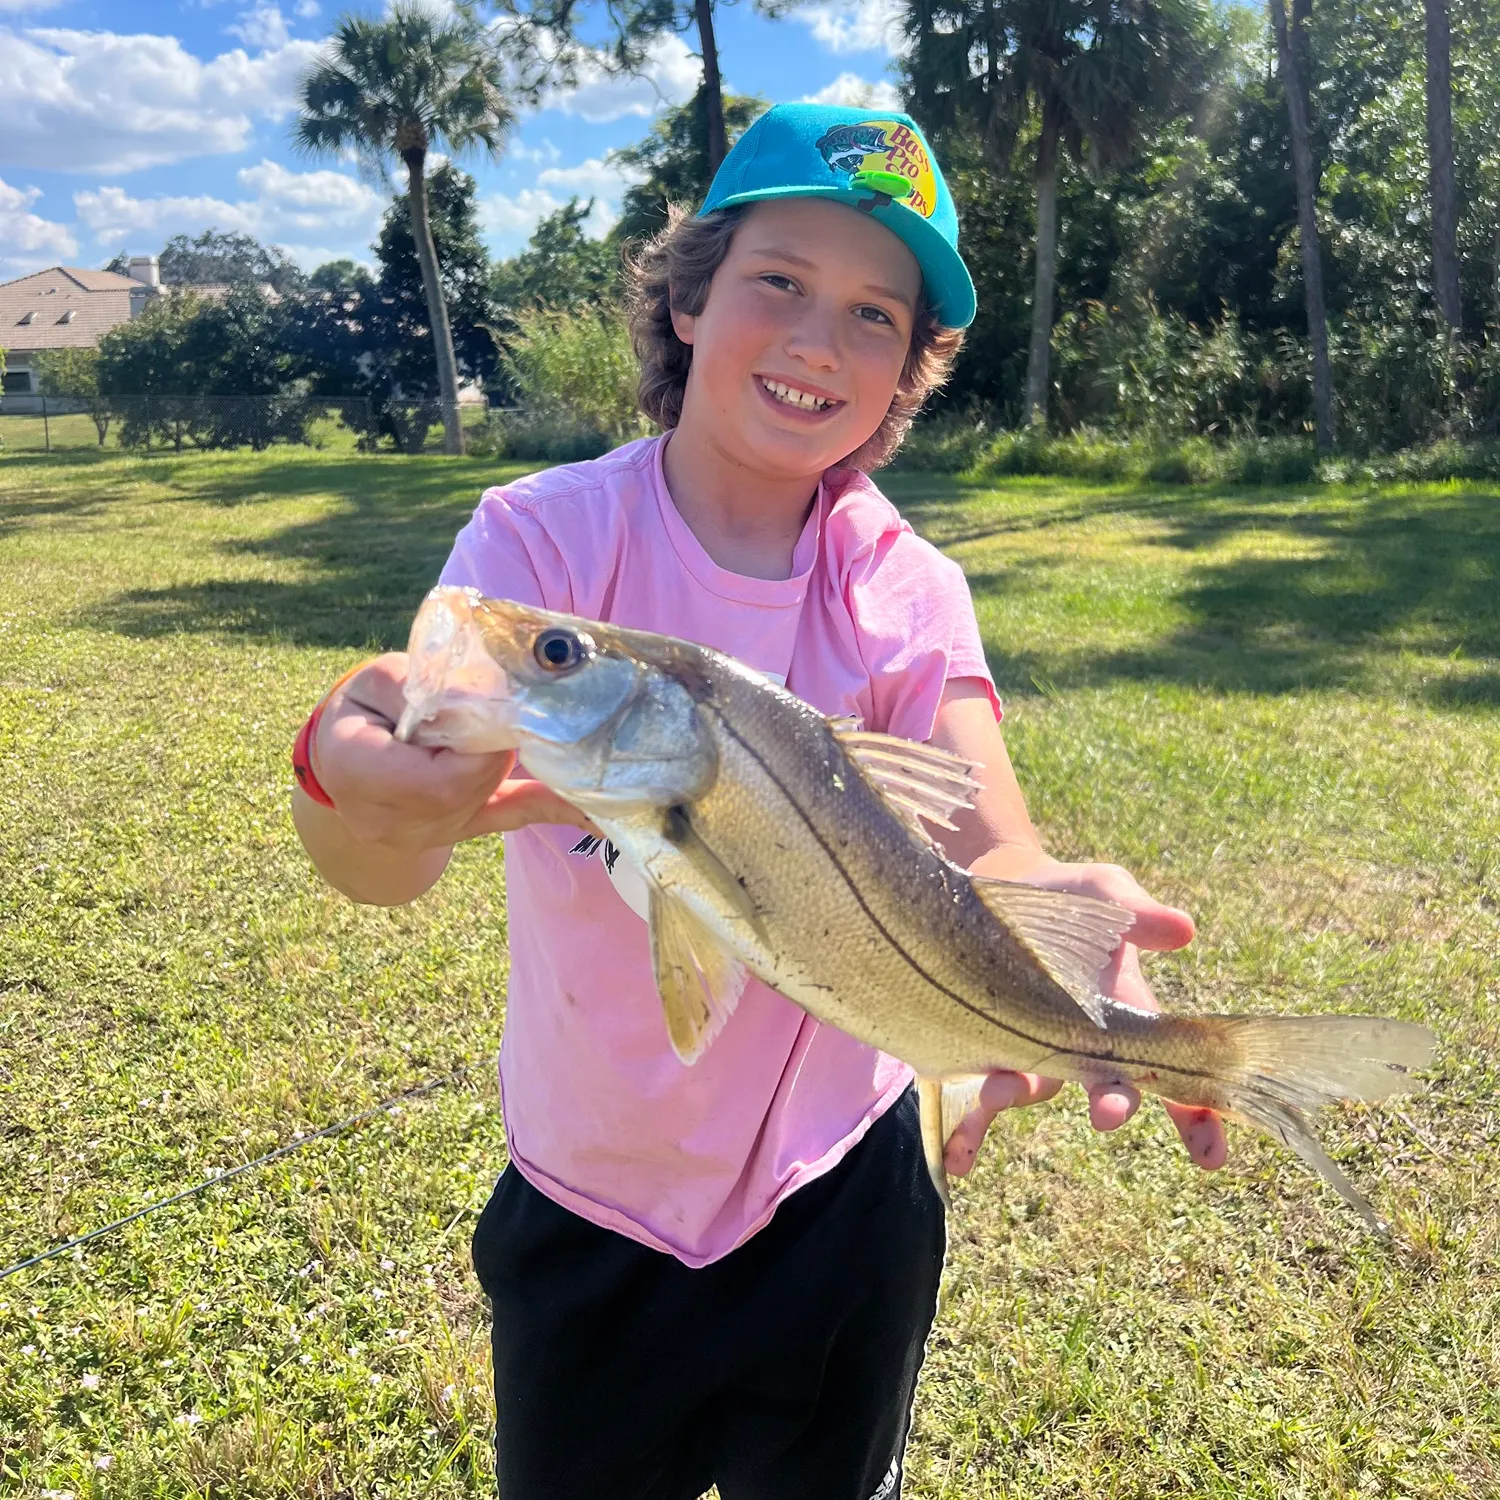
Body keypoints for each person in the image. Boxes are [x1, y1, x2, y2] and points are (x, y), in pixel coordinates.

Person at [292, 104, 1229, 1500]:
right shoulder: (541, 543)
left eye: (873, 314)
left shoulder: (908, 590)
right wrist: (347, 779)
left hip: (846, 1203)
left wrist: (1058, 928)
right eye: (778, 281)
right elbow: (382, 858)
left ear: (908, 367)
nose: (816, 341)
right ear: (689, 299)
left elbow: (993, 836)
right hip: (588, 1199)